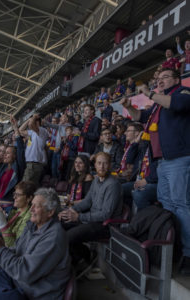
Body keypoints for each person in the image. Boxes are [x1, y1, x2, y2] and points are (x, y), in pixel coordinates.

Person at [120, 68, 190, 275]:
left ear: (177, 80)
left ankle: (188, 253)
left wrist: (148, 92)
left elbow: (177, 105)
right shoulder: (159, 105)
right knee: (167, 206)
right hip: (163, 162)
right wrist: (129, 107)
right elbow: (140, 116)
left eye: (165, 77)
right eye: (158, 79)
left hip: (180, 158)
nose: (160, 81)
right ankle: (173, 246)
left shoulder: (181, 93)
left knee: (181, 205)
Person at [0, 188, 71, 300]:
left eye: (36, 206)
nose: (31, 209)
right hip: (17, 283)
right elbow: (16, 252)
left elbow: (24, 273)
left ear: (50, 212)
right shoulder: (32, 226)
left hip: (32, 293)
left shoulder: (53, 238)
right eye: (32, 205)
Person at [59, 152, 122, 263]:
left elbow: (105, 215)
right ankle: (81, 255)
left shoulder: (113, 185)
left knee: (68, 237)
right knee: (58, 224)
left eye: (105, 163)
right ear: (95, 165)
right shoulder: (96, 180)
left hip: (104, 226)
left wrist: (79, 217)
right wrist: (69, 211)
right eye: (99, 163)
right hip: (91, 220)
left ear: (110, 165)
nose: (102, 167)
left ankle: (83, 258)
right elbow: (87, 202)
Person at [0, 116, 26, 236]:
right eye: (5, 153)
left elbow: (21, 151)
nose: (5, 155)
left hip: (7, 208)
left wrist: (15, 128)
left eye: (8, 153)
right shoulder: (2, 168)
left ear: (14, 156)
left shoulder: (18, 168)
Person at [20, 114, 49, 186]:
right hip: (31, 164)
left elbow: (31, 125)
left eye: (34, 121)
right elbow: (20, 130)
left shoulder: (43, 131)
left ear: (39, 123)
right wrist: (29, 119)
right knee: (29, 187)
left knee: (24, 187)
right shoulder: (31, 132)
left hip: (35, 164)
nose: (31, 123)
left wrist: (34, 117)